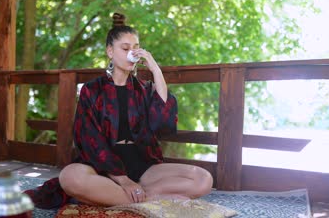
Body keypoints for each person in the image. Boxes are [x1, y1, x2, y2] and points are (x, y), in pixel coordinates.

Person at [25, 13, 213, 208]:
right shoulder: (92, 90)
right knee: (70, 176)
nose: (132, 53)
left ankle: (122, 197)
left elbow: (163, 125)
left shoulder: (145, 89)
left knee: (203, 179)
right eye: (125, 48)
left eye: (136, 48)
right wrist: (123, 180)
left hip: (142, 166)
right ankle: (150, 200)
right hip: (104, 169)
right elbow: (88, 139)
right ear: (110, 52)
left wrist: (156, 69)